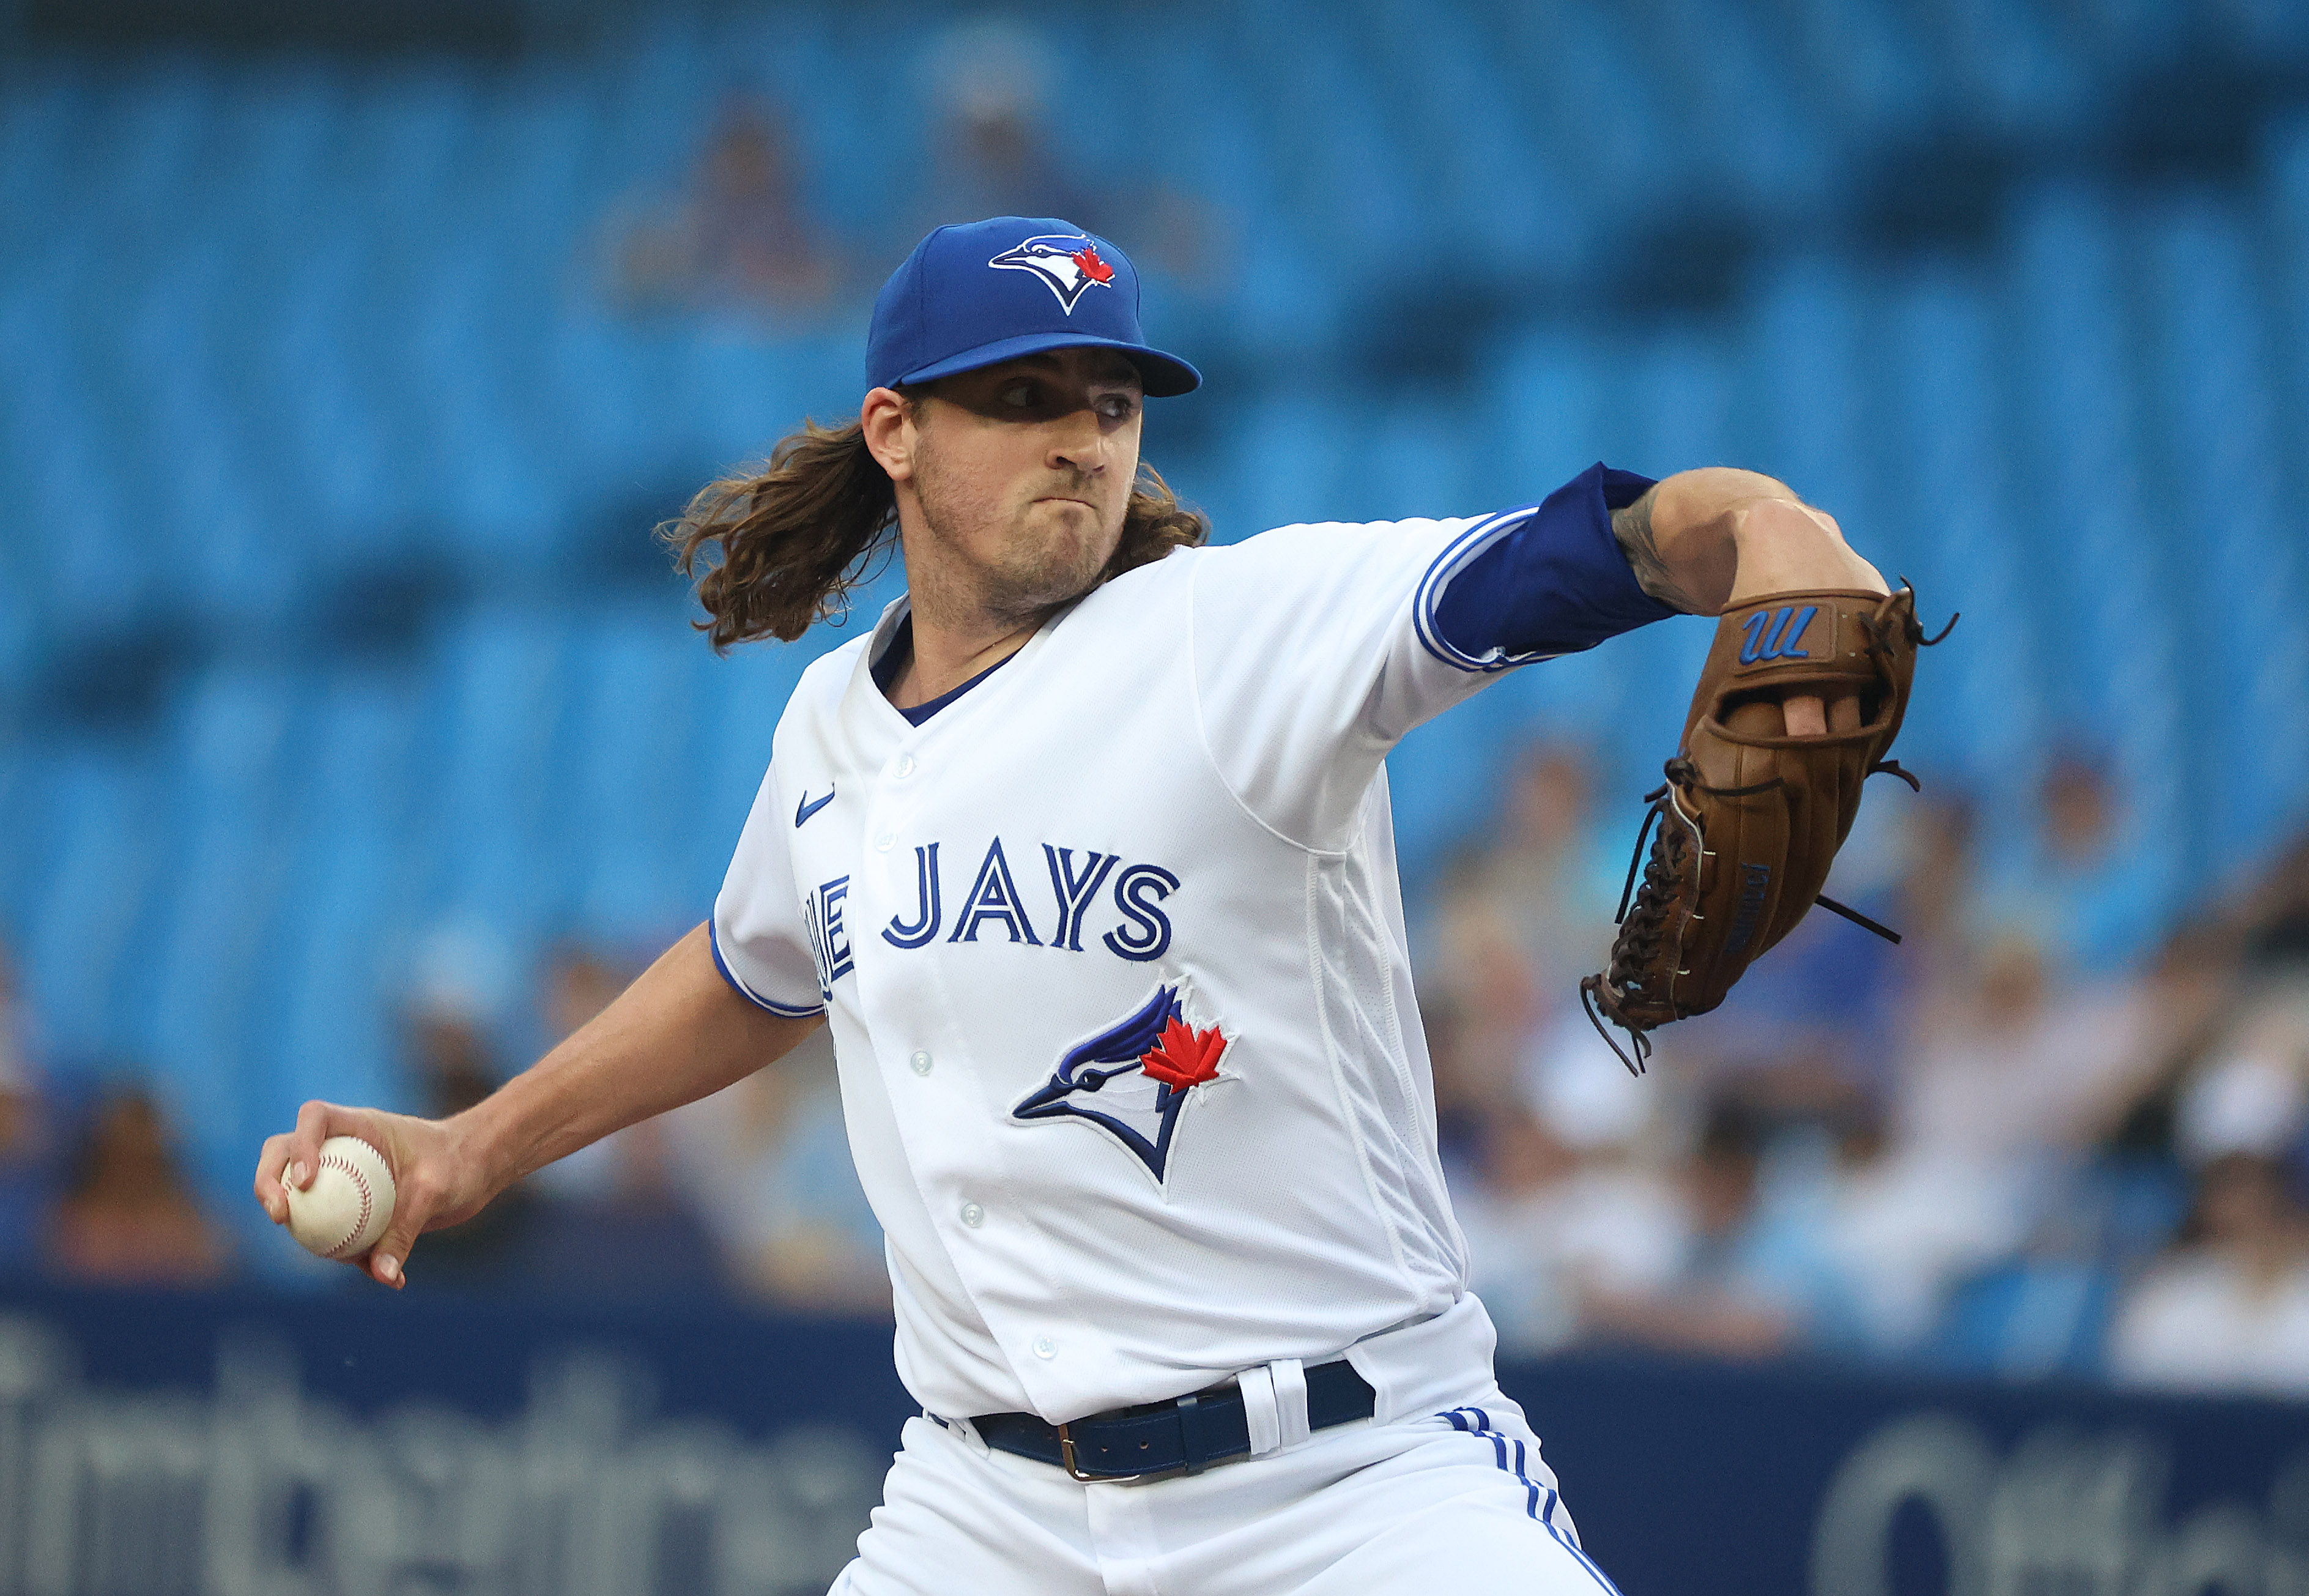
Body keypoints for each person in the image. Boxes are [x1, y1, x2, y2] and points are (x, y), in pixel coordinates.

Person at [255, 215, 1888, 1593]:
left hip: (1349, 1489)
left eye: (1109, 401)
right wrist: (476, 1145)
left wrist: (1768, 527)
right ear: (895, 431)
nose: (1080, 437)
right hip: (989, 1510)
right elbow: (757, 967)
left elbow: (1613, 545)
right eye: (1021, 397)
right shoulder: (834, 723)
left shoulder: (1240, 636)